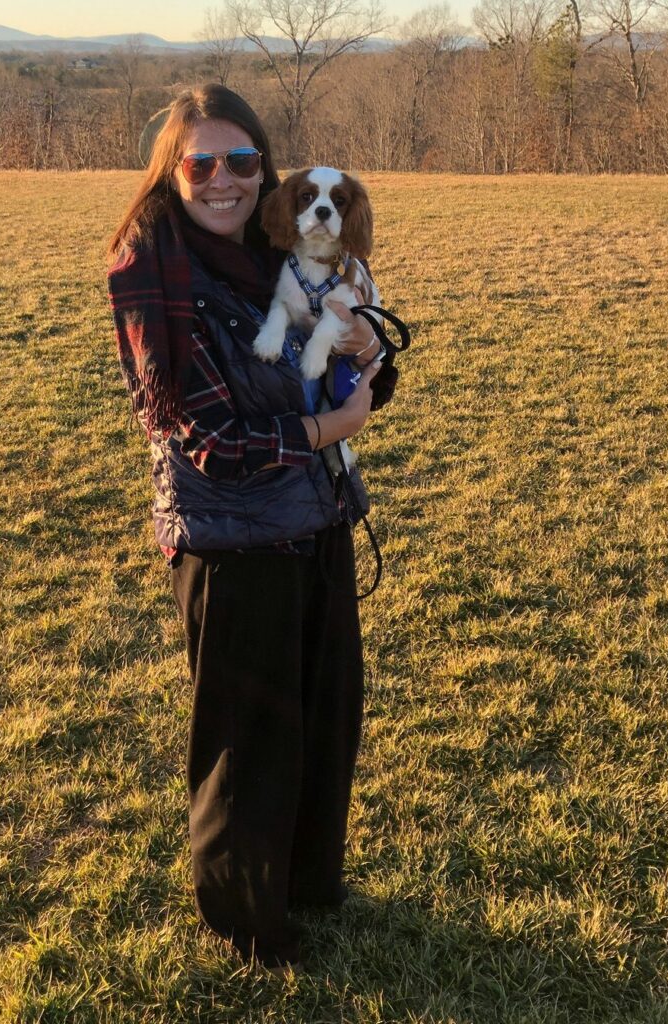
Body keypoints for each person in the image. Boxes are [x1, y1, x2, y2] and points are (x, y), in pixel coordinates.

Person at [106, 84, 390, 972]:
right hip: (230, 544)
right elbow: (203, 439)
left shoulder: (285, 253)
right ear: (171, 172)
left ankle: (308, 883)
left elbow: (366, 378)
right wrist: (325, 431)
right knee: (248, 742)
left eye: (242, 162)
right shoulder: (153, 272)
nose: (223, 180)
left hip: (315, 519)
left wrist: (369, 357)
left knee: (325, 716)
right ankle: (245, 921)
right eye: (201, 164)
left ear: (265, 172)